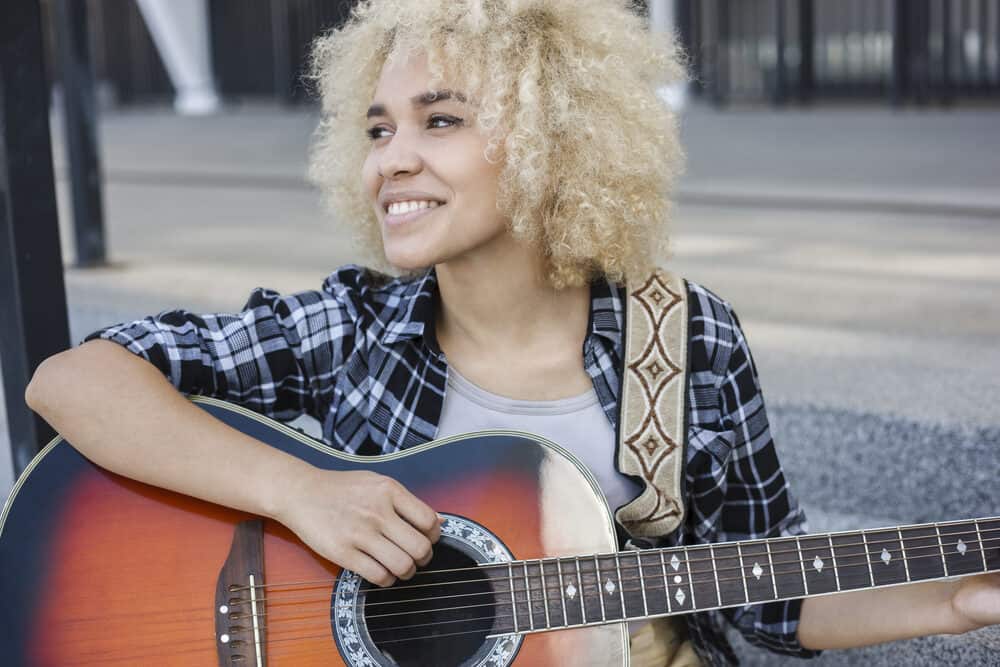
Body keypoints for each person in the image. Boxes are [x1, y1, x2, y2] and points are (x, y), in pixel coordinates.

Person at [24, 1, 998, 665]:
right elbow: (73, 380)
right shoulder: (355, 327)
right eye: (375, 130)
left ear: (554, 141)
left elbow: (769, 589)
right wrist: (299, 491)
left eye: (438, 121)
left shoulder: (687, 344)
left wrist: (957, 602)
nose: (391, 161)